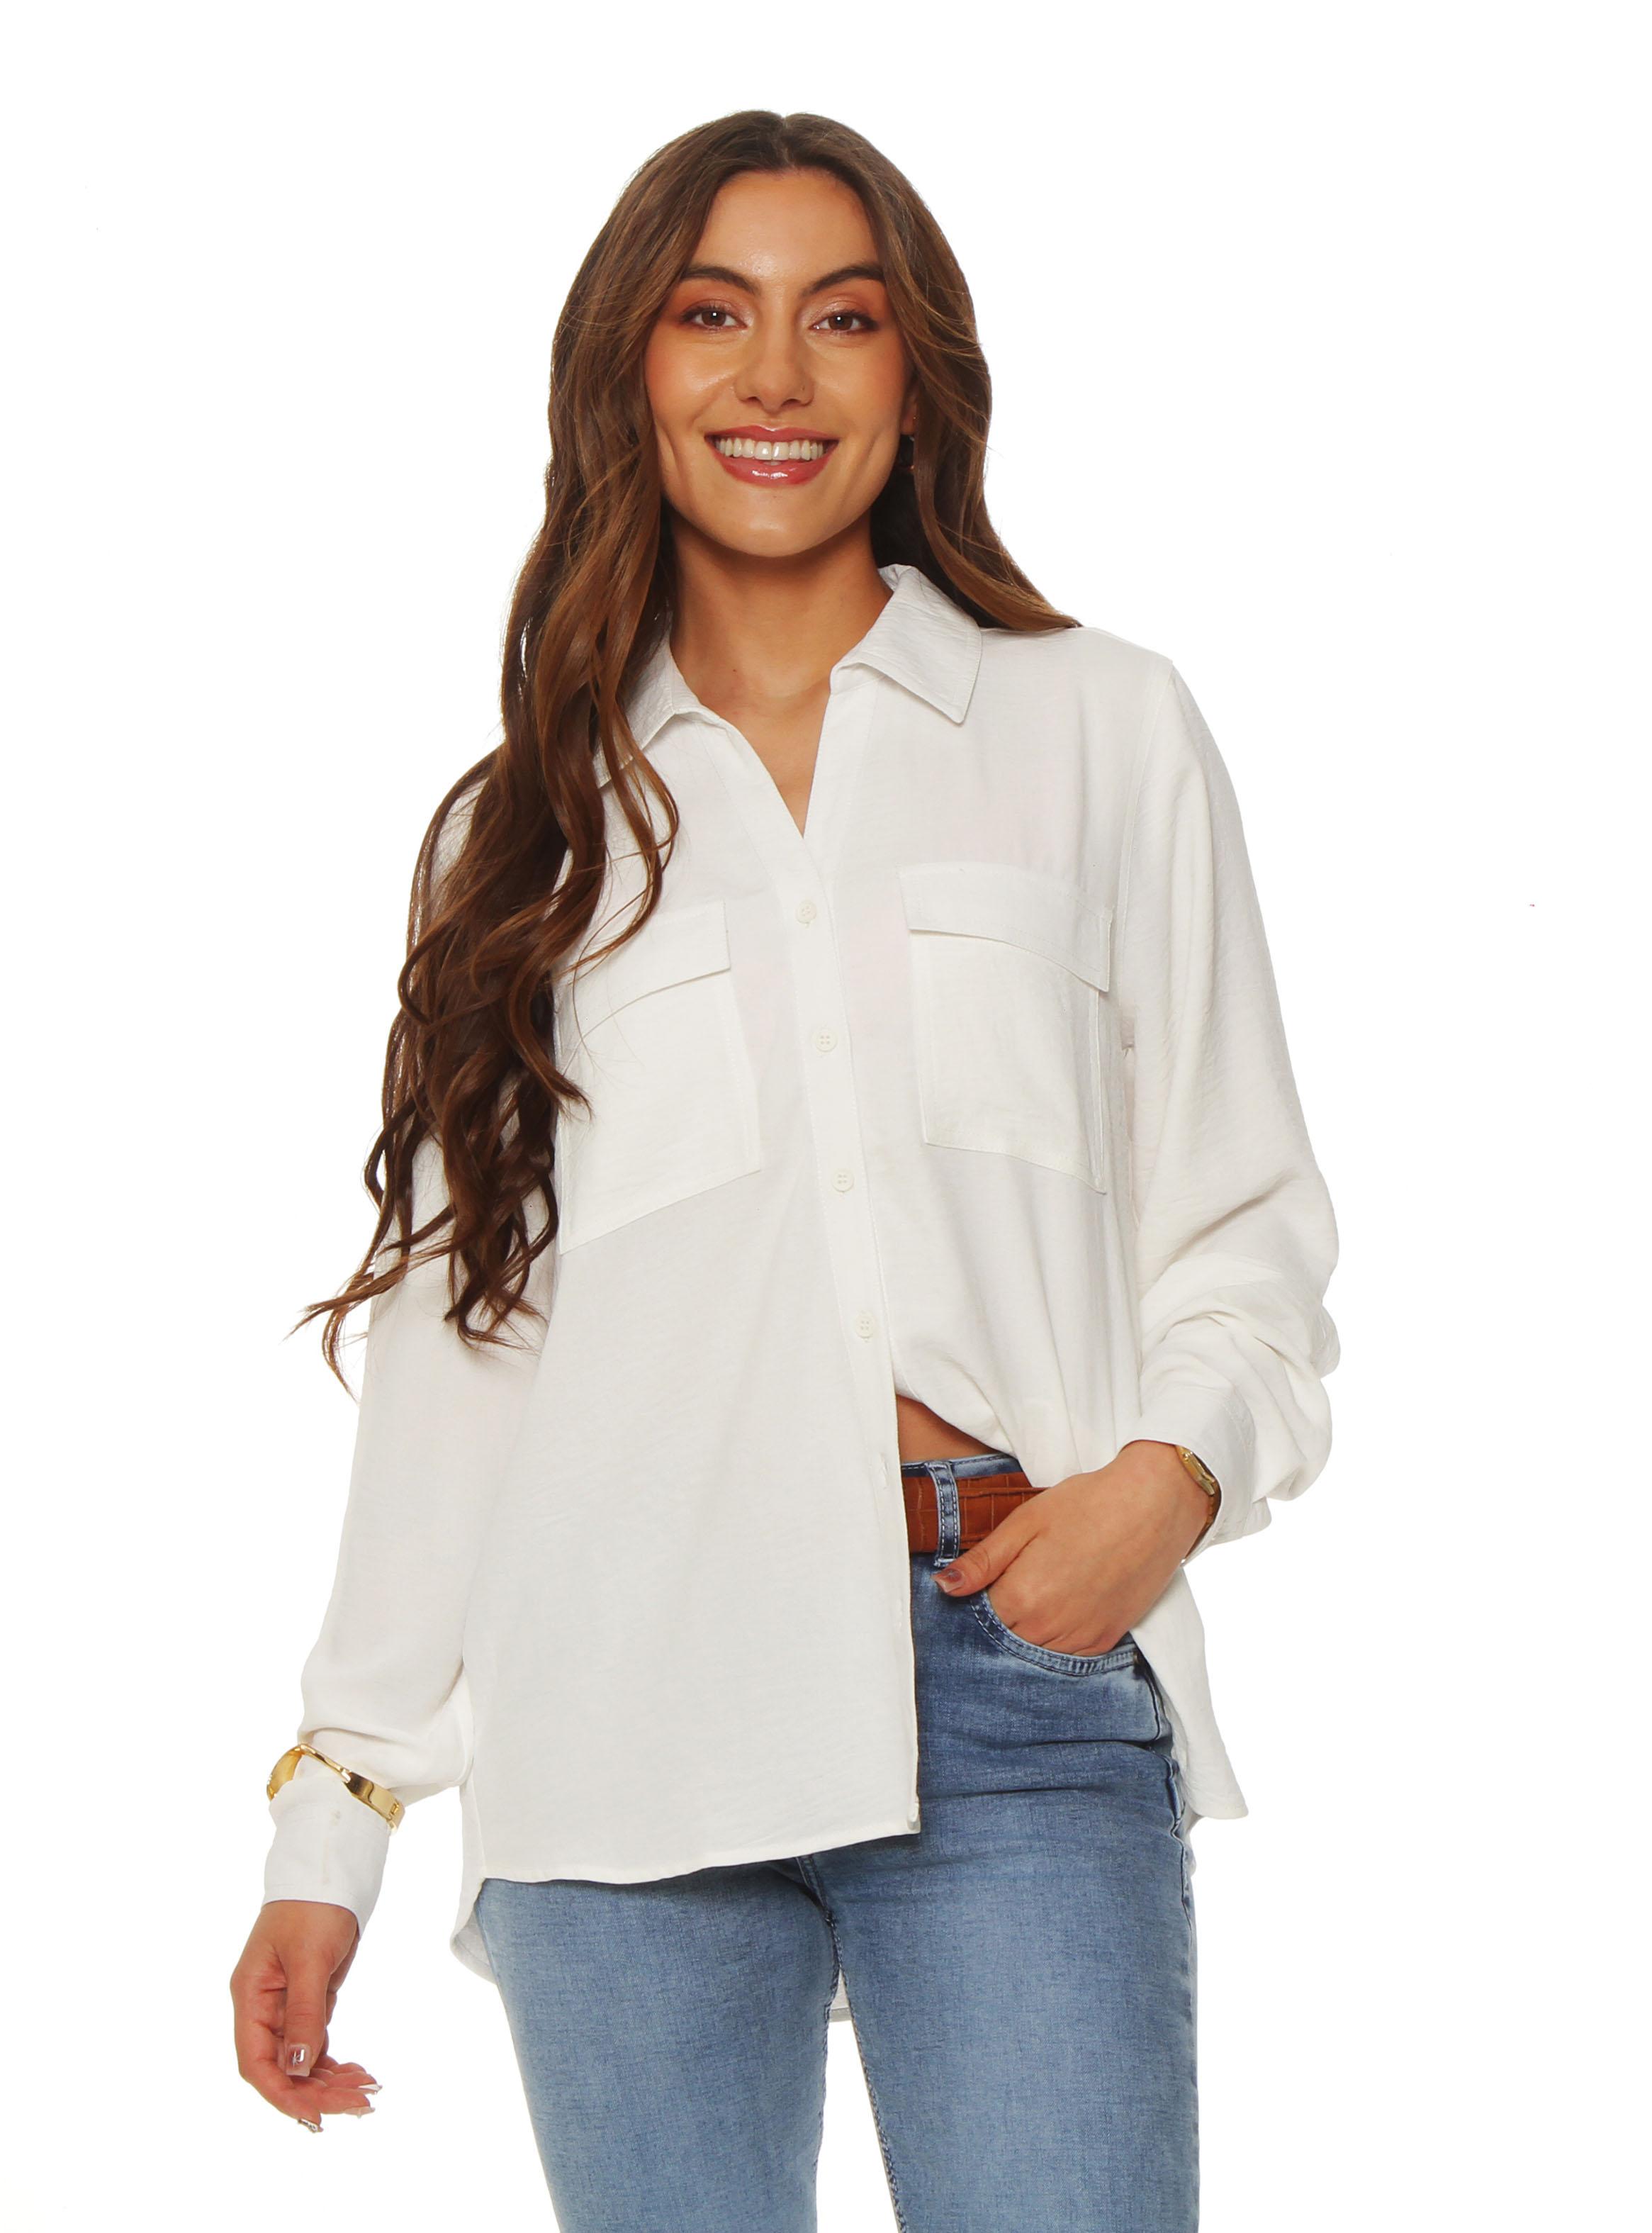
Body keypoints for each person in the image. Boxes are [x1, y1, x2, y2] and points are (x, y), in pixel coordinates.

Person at [230, 108, 1340, 2232]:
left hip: (1010, 1675)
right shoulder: (520, 841)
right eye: (708, 315)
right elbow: (468, 1364)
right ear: (627, 373)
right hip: (618, 1713)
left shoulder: (1097, 728)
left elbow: (1246, 1218)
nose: (774, 376)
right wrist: (335, 1816)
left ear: (916, 372)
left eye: (840, 318)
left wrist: (1165, 1484)